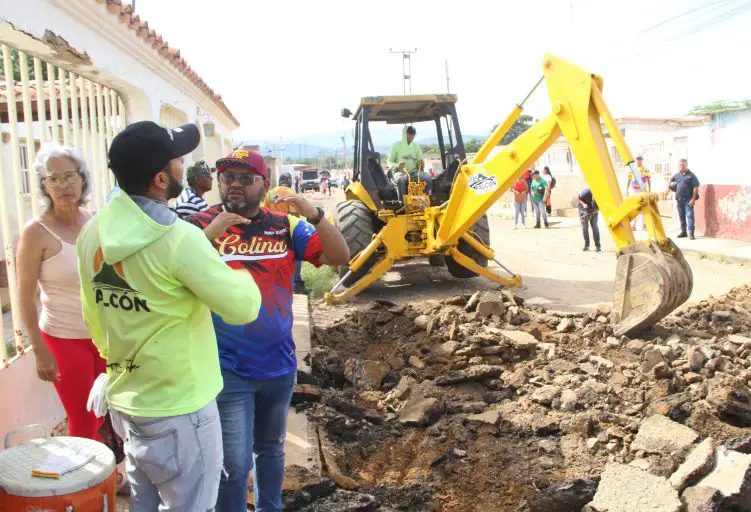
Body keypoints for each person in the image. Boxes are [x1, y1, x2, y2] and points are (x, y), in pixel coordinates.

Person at [77, 121, 262, 511]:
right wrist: (240, 273)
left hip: (127, 401)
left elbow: (94, 316)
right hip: (181, 410)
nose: (185, 164)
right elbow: (242, 308)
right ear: (161, 179)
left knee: (144, 503)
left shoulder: (92, 234)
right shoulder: (179, 239)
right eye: (178, 159)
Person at [185, 149, 349, 512]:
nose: (236, 185)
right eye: (228, 178)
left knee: (272, 450)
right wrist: (213, 232)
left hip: (278, 364)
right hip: (225, 367)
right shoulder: (198, 225)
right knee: (234, 465)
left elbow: (339, 256)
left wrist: (315, 214)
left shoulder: (284, 226)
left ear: (265, 184)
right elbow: (172, 275)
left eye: (247, 178)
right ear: (219, 182)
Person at [16, 144, 103, 440]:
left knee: (106, 412)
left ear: (83, 179)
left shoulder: (93, 220)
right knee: (83, 420)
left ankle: (107, 478)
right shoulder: (36, 232)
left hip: (102, 336)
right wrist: (39, 350)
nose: (64, 185)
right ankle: (90, 484)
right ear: (44, 185)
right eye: (54, 178)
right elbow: (25, 295)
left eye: (70, 176)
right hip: (64, 339)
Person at [389, 125, 430, 201]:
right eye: (410, 133)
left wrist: (421, 163)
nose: (412, 135)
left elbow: (419, 161)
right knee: (402, 179)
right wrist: (398, 165)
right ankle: (402, 203)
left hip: (414, 172)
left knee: (427, 178)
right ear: (405, 134)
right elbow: (389, 162)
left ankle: (425, 200)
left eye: (413, 134)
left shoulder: (416, 147)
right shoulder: (396, 146)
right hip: (399, 172)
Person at [669, 158, 700, 240]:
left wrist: (693, 199)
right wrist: (671, 188)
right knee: (681, 216)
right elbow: (670, 183)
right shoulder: (676, 175)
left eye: (683, 165)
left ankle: (691, 233)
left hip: (688, 199)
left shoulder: (691, 175)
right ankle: (683, 232)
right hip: (679, 199)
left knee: (690, 216)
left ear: (686, 165)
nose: (681, 166)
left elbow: (696, 187)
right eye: (680, 165)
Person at [626, 156, 651, 231]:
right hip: (634, 190)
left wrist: (649, 190)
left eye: (640, 159)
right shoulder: (632, 169)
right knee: (634, 208)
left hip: (642, 190)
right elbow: (629, 180)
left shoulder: (645, 169)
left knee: (643, 208)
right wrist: (626, 190)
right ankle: (633, 225)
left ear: (642, 160)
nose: (639, 161)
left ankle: (644, 225)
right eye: (637, 159)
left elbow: (648, 180)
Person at [578, 187, 601, 252]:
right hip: (583, 211)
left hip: (594, 212)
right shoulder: (586, 193)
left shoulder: (601, 197)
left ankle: (598, 246)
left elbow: (600, 207)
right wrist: (584, 204)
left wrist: (594, 211)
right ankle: (586, 245)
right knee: (584, 228)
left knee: (595, 227)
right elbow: (579, 198)